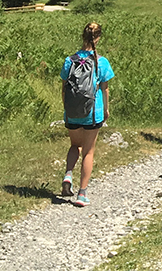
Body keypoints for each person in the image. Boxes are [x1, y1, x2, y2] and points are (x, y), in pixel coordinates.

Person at [60, 21, 114, 207]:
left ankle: (68, 175)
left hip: (72, 111)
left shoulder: (70, 60)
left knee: (75, 145)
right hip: (93, 111)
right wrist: (106, 109)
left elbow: (64, 88)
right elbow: (105, 89)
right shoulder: (101, 61)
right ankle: (82, 194)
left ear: (83, 36)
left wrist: (67, 109)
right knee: (88, 151)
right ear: (98, 38)